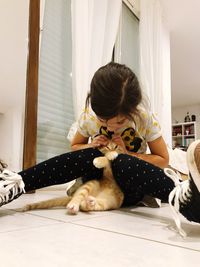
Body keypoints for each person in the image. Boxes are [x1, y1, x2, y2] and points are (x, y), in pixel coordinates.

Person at [0, 62, 200, 236]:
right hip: (95, 181)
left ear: (133, 110)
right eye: (104, 120)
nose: (112, 127)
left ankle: (190, 203)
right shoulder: (88, 116)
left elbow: (162, 159)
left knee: (119, 160)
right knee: (95, 154)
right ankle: (12, 185)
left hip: (127, 188)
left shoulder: (145, 118)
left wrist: (129, 154)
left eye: (120, 121)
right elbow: (75, 147)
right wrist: (91, 144)